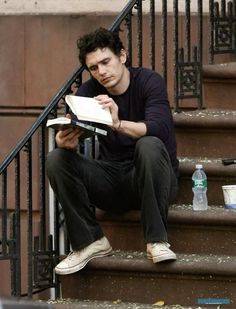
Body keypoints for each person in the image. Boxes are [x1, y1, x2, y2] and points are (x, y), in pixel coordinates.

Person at [46, 27, 179, 275]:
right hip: (114, 180)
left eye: (106, 62)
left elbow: (159, 129)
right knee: (56, 159)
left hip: (156, 179)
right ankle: (91, 242)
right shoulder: (88, 93)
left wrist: (118, 124)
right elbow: (78, 130)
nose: (101, 72)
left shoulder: (149, 81)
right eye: (94, 68)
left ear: (122, 55)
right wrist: (68, 143)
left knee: (148, 144)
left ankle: (157, 241)